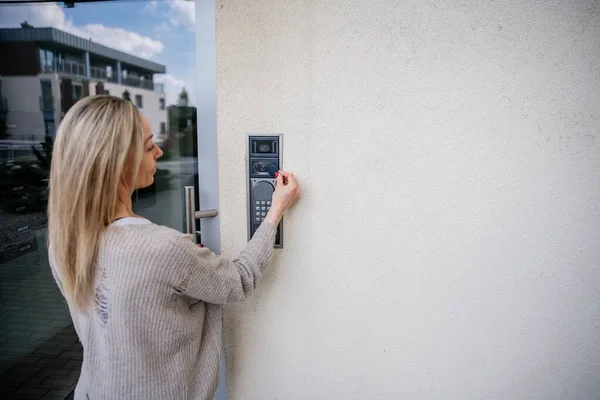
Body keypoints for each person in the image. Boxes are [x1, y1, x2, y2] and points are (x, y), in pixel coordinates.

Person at [47, 95, 300, 399]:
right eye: (148, 145)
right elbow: (240, 279)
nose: (159, 151)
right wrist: (275, 211)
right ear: (119, 161)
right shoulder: (162, 249)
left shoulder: (64, 242)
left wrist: (186, 267)